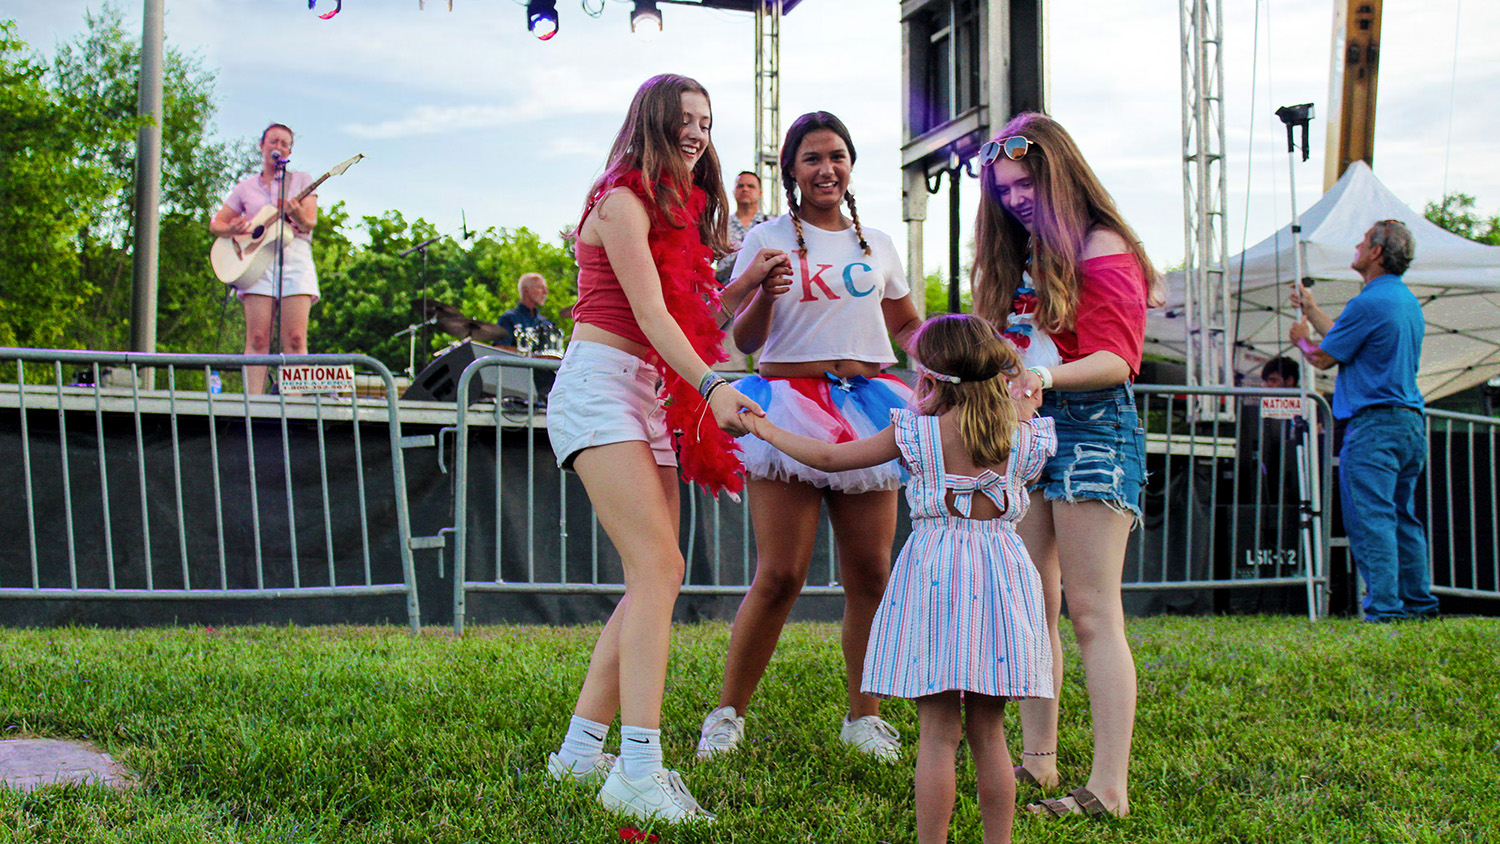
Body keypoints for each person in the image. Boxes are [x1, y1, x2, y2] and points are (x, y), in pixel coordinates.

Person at [541, 73, 780, 824]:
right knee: (657, 570)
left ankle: (579, 753)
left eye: (705, 120)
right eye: (683, 118)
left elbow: (688, 308)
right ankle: (640, 768)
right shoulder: (620, 201)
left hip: (645, 393)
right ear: (650, 121)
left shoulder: (677, 211)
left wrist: (746, 285)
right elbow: (648, 312)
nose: (697, 132)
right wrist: (713, 387)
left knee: (656, 575)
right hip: (599, 386)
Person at [742, 314, 1054, 844]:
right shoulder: (1026, 436)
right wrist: (1022, 407)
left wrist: (762, 427)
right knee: (990, 733)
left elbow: (830, 458)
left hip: (936, 579)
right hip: (1002, 580)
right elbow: (1019, 440)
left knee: (938, 733)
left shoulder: (917, 432)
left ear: (930, 377)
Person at [696, 111, 922, 762]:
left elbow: (907, 325)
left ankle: (864, 717)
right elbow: (745, 338)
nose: (827, 169)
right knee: (781, 573)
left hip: (868, 405)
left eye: (837, 156)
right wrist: (766, 293)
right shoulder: (767, 236)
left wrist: (952, 356)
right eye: (813, 158)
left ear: (851, 165)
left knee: (871, 573)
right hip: (788, 406)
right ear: (791, 171)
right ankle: (728, 714)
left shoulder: (878, 243)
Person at [971, 112, 1160, 819]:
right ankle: (1039, 761)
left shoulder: (1103, 244)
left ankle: (1109, 789)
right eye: (1005, 189)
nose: (1016, 199)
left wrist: (1042, 379)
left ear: (1060, 175)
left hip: (1093, 430)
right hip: (1030, 432)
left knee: (1091, 612)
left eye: (1026, 185)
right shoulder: (1020, 254)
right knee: (1032, 606)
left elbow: (1119, 359)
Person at [1288, 219, 1437, 622]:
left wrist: (1301, 340)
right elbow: (1345, 337)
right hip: (1408, 423)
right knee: (1402, 517)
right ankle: (1418, 605)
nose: (1356, 245)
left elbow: (1324, 356)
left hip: (1373, 428)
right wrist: (1312, 310)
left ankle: (1384, 609)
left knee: (1372, 519)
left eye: (1363, 240)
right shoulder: (1403, 300)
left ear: (1376, 252)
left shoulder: (1368, 303)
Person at [209, 123, 319, 395]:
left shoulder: (301, 180)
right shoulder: (245, 187)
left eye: (284, 143)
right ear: (262, 145)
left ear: (289, 151)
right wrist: (232, 229)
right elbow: (216, 224)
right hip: (255, 261)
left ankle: (294, 403)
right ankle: (254, 403)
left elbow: (309, 223)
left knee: (295, 338)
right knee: (258, 338)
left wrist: (297, 214)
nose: (278, 147)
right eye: (273, 141)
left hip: (295, 258)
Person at [712, 171, 774, 371]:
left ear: (760, 193)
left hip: (762, 298)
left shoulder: (772, 224)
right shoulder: (720, 225)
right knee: (727, 365)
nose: (745, 189)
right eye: (740, 186)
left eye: (750, 186)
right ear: (734, 191)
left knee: (765, 363)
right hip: (728, 296)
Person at [496, 272, 558, 350]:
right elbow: (499, 349)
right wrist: (528, 353)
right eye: (540, 287)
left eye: (545, 288)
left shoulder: (546, 323)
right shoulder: (508, 318)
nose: (545, 291)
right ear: (525, 290)